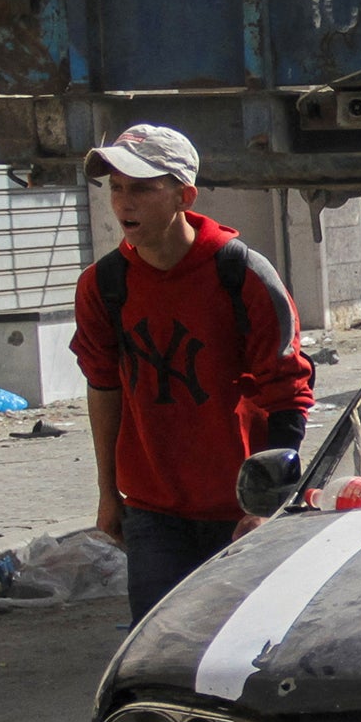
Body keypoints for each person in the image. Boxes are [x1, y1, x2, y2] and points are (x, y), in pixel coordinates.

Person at [71, 124, 314, 623]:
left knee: (244, 651)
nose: (123, 203)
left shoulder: (241, 274)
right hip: (153, 513)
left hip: (240, 512)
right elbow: (103, 386)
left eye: (141, 187)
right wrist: (107, 492)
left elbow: (288, 392)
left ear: (184, 195)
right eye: (116, 188)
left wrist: (269, 502)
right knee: (160, 652)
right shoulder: (104, 285)